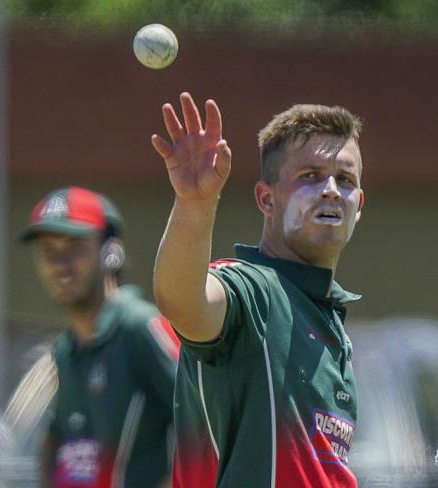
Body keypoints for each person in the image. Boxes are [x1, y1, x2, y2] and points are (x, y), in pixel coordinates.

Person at [151, 93, 365, 487]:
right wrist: (195, 204)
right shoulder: (254, 292)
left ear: (359, 204)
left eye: (346, 180)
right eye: (311, 176)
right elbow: (182, 301)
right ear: (267, 199)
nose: (332, 190)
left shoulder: (331, 323)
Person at [18, 187, 179, 488]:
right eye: (47, 251)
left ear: (111, 250)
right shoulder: (64, 351)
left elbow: (211, 424)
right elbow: (60, 447)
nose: (59, 263)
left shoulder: (140, 327)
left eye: (75, 246)